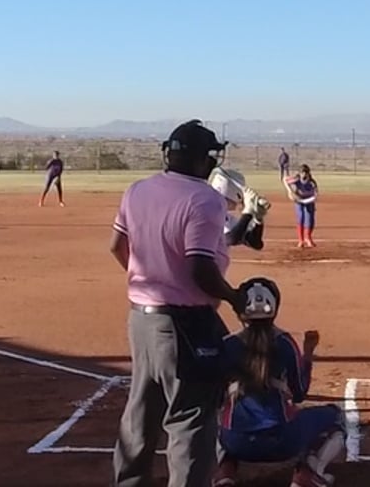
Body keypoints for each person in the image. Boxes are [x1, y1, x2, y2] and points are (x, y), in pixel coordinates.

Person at [110, 120, 258, 487]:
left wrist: (151, 276)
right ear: (202, 159)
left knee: (141, 413)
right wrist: (233, 297)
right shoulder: (204, 198)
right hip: (186, 322)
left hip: (141, 318)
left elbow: (117, 247)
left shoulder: (137, 190)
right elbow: (200, 269)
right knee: (191, 420)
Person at [214, 277, 346, 487]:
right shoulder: (285, 343)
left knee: (215, 419)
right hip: (283, 442)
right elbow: (300, 392)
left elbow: (215, 395)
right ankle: (308, 473)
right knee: (336, 417)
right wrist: (308, 354)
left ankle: (224, 474)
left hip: (236, 442)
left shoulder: (228, 344)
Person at [288, 165, 319, 249]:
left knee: (310, 220)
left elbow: (316, 194)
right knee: (300, 218)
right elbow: (285, 181)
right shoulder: (296, 180)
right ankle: (301, 240)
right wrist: (290, 192)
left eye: (305, 172)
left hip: (309, 202)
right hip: (299, 201)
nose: (304, 175)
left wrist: (312, 199)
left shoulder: (312, 182)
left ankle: (308, 238)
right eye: (302, 172)